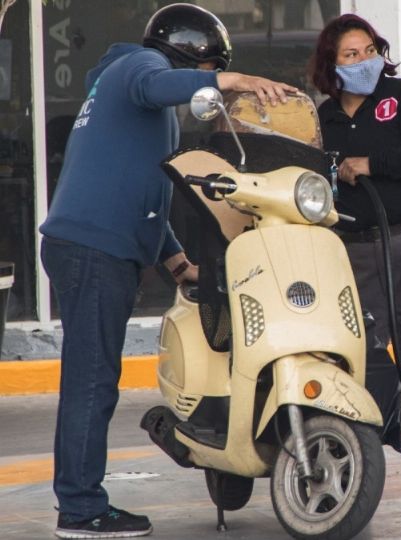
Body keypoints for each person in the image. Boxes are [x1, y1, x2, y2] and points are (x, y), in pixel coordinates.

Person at [39, 4, 297, 538]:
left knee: (94, 379)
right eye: (209, 71)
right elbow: (158, 84)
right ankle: (81, 509)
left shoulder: (134, 99)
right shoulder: (133, 68)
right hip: (93, 251)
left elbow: (149, 199)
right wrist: (236, 80)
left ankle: (81, 501)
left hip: (95, 249)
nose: (207, 86)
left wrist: (178, 263)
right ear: (189, 55)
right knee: (92, 382)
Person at [308, 14, 401, 513]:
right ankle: (349, 473)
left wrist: (372, 166)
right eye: (350, 55)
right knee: (350, 364)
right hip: (350, 251)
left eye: (369, 49)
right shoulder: (320, 119)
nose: (362, 61)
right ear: (331, 65)